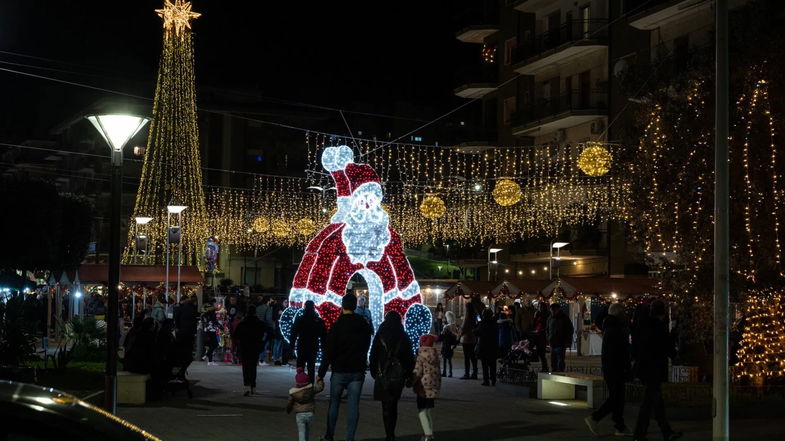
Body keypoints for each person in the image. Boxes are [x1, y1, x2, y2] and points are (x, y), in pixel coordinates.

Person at [317, 293, 373, 441]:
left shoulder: (337, 326)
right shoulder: (363, 324)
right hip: (357, 369)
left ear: (342, 306)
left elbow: (328, 352)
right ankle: (350, 437)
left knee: (334, 403)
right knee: (353, 405)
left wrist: (321, 374)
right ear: (355, 306)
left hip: (340, 369)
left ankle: (329, 435)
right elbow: (367, 344)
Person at [633, 300, 682, 441]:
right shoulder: (658, 327)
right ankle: (639, 435)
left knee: (656, 403)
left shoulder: (643, 325)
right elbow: (666, 346)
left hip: (644, 368)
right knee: (648, 404)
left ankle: (666, 431)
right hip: (654, 369)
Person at [585, 303, 633, 436]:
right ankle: (596, 418)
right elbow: (619, 351)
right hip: (615, 368)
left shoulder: (611, 327)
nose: (625, 314)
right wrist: (625, 367)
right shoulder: (615, 329)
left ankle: (619, 425)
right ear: (618, 314)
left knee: (617, 397)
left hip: (612, 368)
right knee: (616, 398)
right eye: (623, 312)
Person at [369, 311, 415, 441]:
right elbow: (409, 357)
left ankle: (388, 433)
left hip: (382, 374)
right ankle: (391, 434)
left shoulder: (381, 335)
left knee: (385, 405)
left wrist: (374, 371)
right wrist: (409, 374)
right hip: (397, 376)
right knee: (393, 404)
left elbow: (373, 355)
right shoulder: (403, 336)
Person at [233, 305, 267, 395]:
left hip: (244, 347)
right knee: (253, 367)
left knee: (246, 367)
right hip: (255, 347)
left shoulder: (243, 324)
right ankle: (253, 386)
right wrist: (263, 341)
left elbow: (235, 335)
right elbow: (269, 332)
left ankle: (246, 386)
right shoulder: (260, 323)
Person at [412, 334, 441, 441]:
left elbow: (417, 372)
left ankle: (428, 435)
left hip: (423, 387)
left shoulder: (421, 356)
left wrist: (411, 382)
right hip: (433, 386)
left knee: (422, 411)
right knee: (428, 410)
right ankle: (429, 432)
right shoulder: (435, 355)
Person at [291, 300, 327, 384]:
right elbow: (323, 334)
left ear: (305, 307)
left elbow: (294, 332)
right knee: (311, 367)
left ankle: (301, 384)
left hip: (302, 345)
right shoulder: (318, 320)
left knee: (300, 367)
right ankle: (310, 385)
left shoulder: (300, 319)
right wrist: (323, 346)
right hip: (313, 345)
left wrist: (292, 344)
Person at [288, 367, 325, 441]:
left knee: (301, 432)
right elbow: (320, 388)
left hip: (299, 415)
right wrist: (319, 380)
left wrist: (288, 410)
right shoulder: (311, 389)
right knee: (307, 431)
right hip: (310, 413)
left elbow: (290, 402)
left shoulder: (294, 393)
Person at [475, 308, 499, 386]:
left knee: (484, 365)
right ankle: (493, 379)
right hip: (493, 346)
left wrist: (475, 327)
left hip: (484, 346)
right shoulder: (495, 323)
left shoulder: (483, 323)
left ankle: (486, 380)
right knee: (493, 365)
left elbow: (477, 332)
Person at [547, 303, 573, 372]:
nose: (552, 312)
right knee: (553, 360)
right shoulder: (550, 318)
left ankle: (560, 372)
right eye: (551, 310)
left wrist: (568, 341)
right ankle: (554, 371)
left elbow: (570, 330)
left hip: (561, 342)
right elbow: (547, 329)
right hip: (552, 342)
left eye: (554, 310)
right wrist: (548, 338)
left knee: (560, 360)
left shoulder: (564, 318)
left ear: (558, 309)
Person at [459, 303, 478, 380]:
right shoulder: (475, 316)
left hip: (467, 339)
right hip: (473, 338)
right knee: (473, 357)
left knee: (467, 357)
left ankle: (467, 373)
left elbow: (464, 328)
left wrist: (460, 332)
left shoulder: (467, 317)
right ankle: (474, 373)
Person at [439, 311, 459, 377]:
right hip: (450, 346)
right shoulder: (455, 327)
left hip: (445, 345)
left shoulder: (446, 327)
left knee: (444, 360)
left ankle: (444, 372)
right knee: (449, 361)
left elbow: (441, 335)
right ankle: (450, 373)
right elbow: (456, 336)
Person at [256, 296, 275, 365]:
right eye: (271, 300)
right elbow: (268, 319)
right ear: (268, 301)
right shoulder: (268, 308)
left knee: (258, 343)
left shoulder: (258, 308)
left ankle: (257, 359)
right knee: (265, 344)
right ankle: (261, 360)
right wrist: (272, 325)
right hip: (264, 328)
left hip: (257, 328)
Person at [532, 302, 550, 371]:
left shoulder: (547, 314)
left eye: (541, 307)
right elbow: (534, 323)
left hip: (542, 335)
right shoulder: (537, 313)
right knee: (539, 352)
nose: (540, 308)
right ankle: (544, 366)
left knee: (541, 352)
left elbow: (546, 325)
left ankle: (545, 367)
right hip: (537, 334)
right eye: (539, 306)